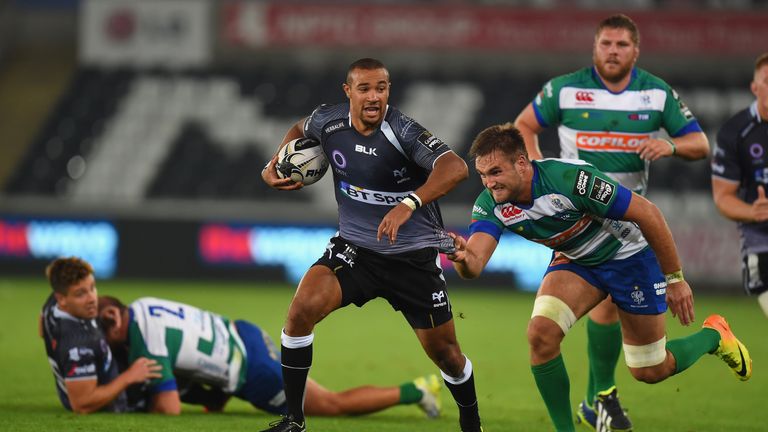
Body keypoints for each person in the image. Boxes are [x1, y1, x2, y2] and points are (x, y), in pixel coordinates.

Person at [448, 123, 751, 432]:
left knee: (650, 369)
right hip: (578, 261)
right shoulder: (491, 204)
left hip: (629, 257)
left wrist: (675, 279)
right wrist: (462, 258)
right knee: (541, 334)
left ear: (522, 163)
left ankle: (715, 336)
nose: (489, 183)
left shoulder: (570, 180)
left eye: (496, 172)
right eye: (483, 174)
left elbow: (648, 214)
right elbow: (474, 265)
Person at [259, 58, 482, 432]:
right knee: (300, 313)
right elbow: (300, 127)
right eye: (365, 88)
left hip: (412, 259)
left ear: (388, 91)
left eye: (381, 88)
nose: (374, 96)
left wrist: (407, 205)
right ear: (348, 92)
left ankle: (471, 422)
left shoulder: (403, 131)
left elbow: (455, 167)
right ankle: (294, 421)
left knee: (448, 356)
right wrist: (275, 163)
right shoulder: (328, 122)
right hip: (355, 250)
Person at [513, 13, 710, 430]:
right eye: (606, 44)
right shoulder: (565, 89)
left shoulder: (655, 94)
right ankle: (599, 399)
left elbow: (700, 143)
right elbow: (524, 125)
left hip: (625, 222)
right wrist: (535, 165)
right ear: (595, 48)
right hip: (577, 217)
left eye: (622, 45)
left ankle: (598, 398)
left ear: (635, 51)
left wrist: (670, 144)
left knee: (627, 335)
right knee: (577, 318)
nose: (613, 51)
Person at [97, 295, 442, 418]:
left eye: (102, 332)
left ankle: (416, 391)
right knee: (206, 394)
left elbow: (168, 408)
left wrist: (131, 394)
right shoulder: (142, 306)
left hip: (252, 370)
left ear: (113, 317)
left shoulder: (141, 336)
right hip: (240, 334)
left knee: (332, 406)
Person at [39, 257, 161, 413]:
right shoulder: (77, 345)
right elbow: (82, 404)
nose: (92, 299)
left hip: (99, 372)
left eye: (92, 287)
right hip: (114, 402)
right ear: (62, 299)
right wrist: (129, 376)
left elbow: (42, 326)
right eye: (80, 294)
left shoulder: (52, 304)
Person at [712, 52, 768, 318]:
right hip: (763, 241)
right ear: (755, 87)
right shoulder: (735, 132)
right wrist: (753, 212)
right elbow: (723, 196)